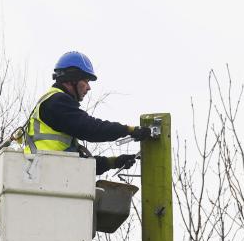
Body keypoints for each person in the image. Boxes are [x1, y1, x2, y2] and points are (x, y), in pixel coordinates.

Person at [23, 51, 152, 175]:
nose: (89, 87)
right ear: (72, 79)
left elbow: (79, 165)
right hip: (45, 173)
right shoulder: (56, 102)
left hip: (46, 172)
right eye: (85, 81)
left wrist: (113, 162)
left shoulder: (55, 104)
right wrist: (128, 130)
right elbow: (92, 129)